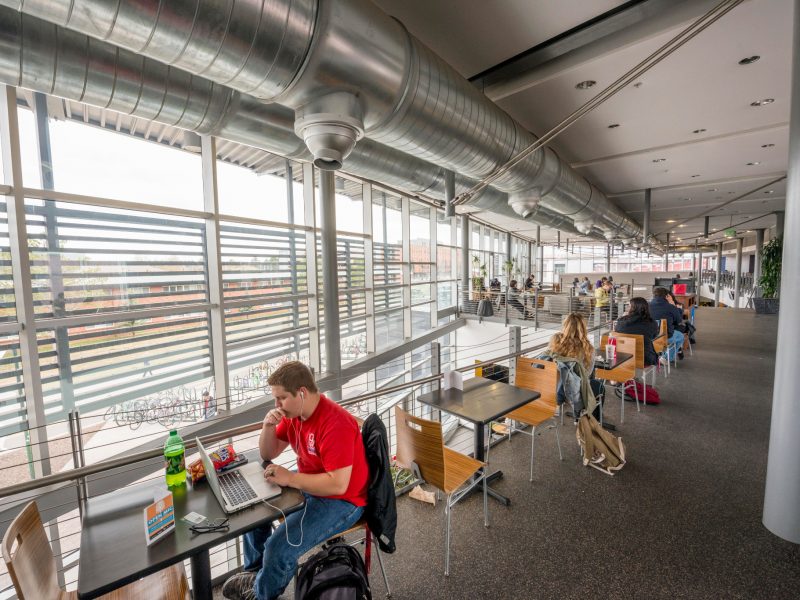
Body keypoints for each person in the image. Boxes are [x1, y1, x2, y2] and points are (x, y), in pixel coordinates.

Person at [222, 362, 368, 600]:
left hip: (342, 500)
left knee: (279, 548)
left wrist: (290, 478)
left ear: (302, 392)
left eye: (281, 398)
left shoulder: (335, 423)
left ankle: (261, 593)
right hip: (309, 486)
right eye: (275, 399)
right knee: (254, 510)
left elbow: (338, 484)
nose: (277, 405)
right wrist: (268, 426)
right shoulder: (294, 415)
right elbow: (268, 453)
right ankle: (256, 575)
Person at [543, 313, 603, 421]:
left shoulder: (555, 340)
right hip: (574, 392)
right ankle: (591, 421)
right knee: (600, 387)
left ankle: (581, 414)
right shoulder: (588, 348)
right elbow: (587, 374)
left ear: (565, 325)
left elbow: (549, 360)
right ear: (583, 328)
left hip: (554, 389)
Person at [614, 297, 660, 366]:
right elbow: (654, 336)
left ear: (632, 308)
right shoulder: (652, 323)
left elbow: (616, 331)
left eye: (629, 306)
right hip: (644, 359)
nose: (627, 308)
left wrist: (623, 317)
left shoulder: (621, 322)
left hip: (622, 358)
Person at [650, 287, 685, 360]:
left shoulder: (646, 305)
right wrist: (674, 305)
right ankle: (665, 358)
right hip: (665, 336)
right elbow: (679, 321)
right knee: (681, 336)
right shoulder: (671, 307)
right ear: (667, 296)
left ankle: (662, 353)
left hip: (650, 336)